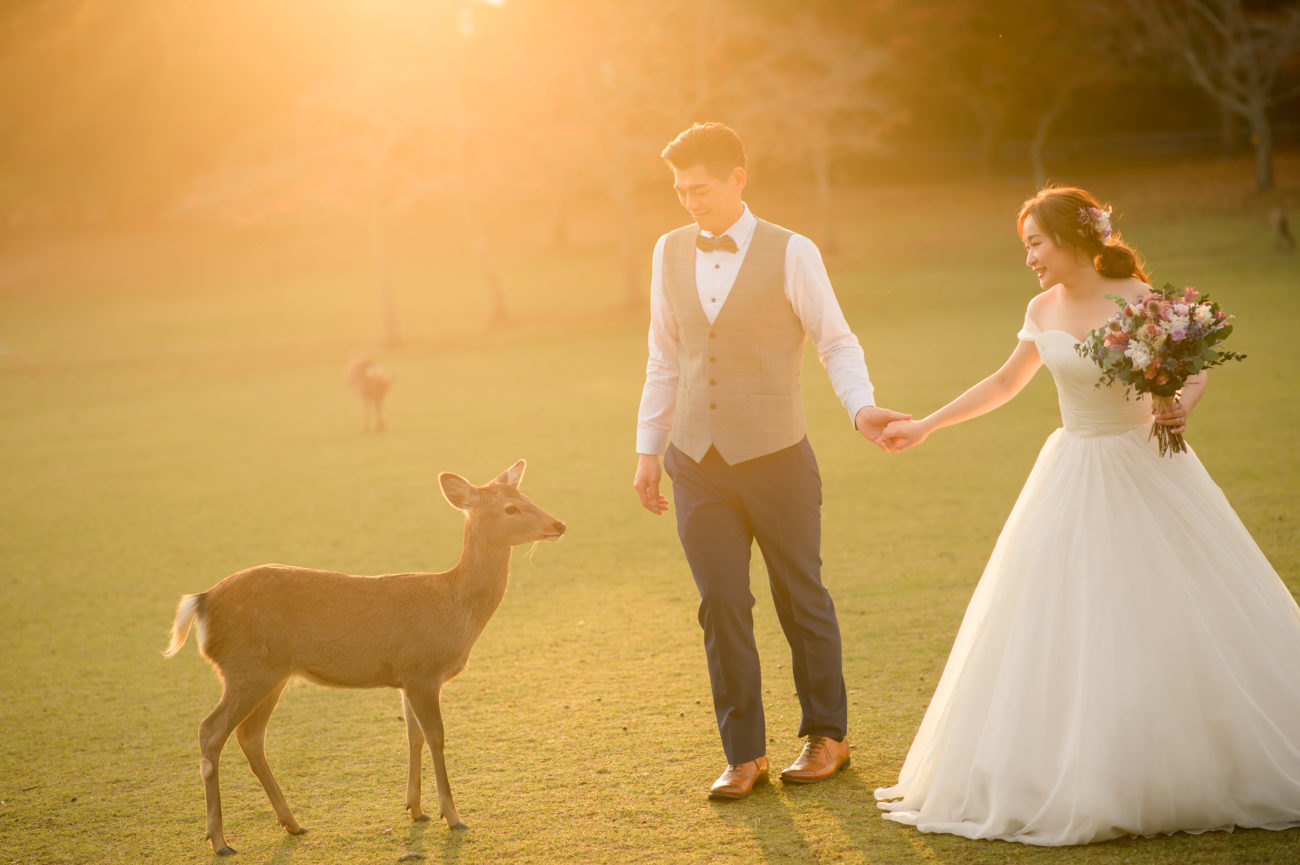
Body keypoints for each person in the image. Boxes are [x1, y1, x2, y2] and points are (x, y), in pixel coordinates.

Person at [873, 185, 1300, 845]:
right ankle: (1077, 765)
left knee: (1175, 604)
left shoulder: (1135, 295)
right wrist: (926, 424)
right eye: (1026, 248)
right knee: (1069, 613)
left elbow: (1191, 369)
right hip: (1072, 469)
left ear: (1074, 239)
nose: (1030, 259)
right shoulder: (1041, 307)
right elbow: (1003, 382)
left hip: (1149, 466)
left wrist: (1181, 400)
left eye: (1035, 244)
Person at [632, 122, 908, 801]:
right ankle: (743, 753)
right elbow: (664, 358)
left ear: (737, 177)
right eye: (678, 190)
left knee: (799, 596)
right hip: (694, 460)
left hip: (777, 456)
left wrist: (860, 406)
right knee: (720, 602)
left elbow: (836, 342)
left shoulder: (794, 252)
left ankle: (827, 735)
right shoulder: (667, 251)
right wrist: (648, 447)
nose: (688, 201)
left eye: (698, 188)